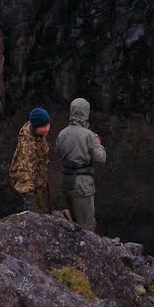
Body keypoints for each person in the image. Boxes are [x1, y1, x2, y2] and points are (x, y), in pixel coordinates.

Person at [54, 97, 106, 232]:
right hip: (82, 184)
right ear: (85, 112)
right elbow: (100, 158)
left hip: (66, 181)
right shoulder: (89, 135)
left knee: (73, 224)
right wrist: (99, 144)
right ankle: (87, 252)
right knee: (86, 225)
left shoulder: (62, 133)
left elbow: (58, 151)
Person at [8, 107, 52, 213]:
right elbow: (25, 168)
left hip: (39, 181)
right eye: (43, 126)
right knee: (37, 215)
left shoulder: (38, 134)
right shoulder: (28, 144)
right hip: (30, 186)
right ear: (36, 126)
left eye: (48, 124)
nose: (47, 128)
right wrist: (28, 193)